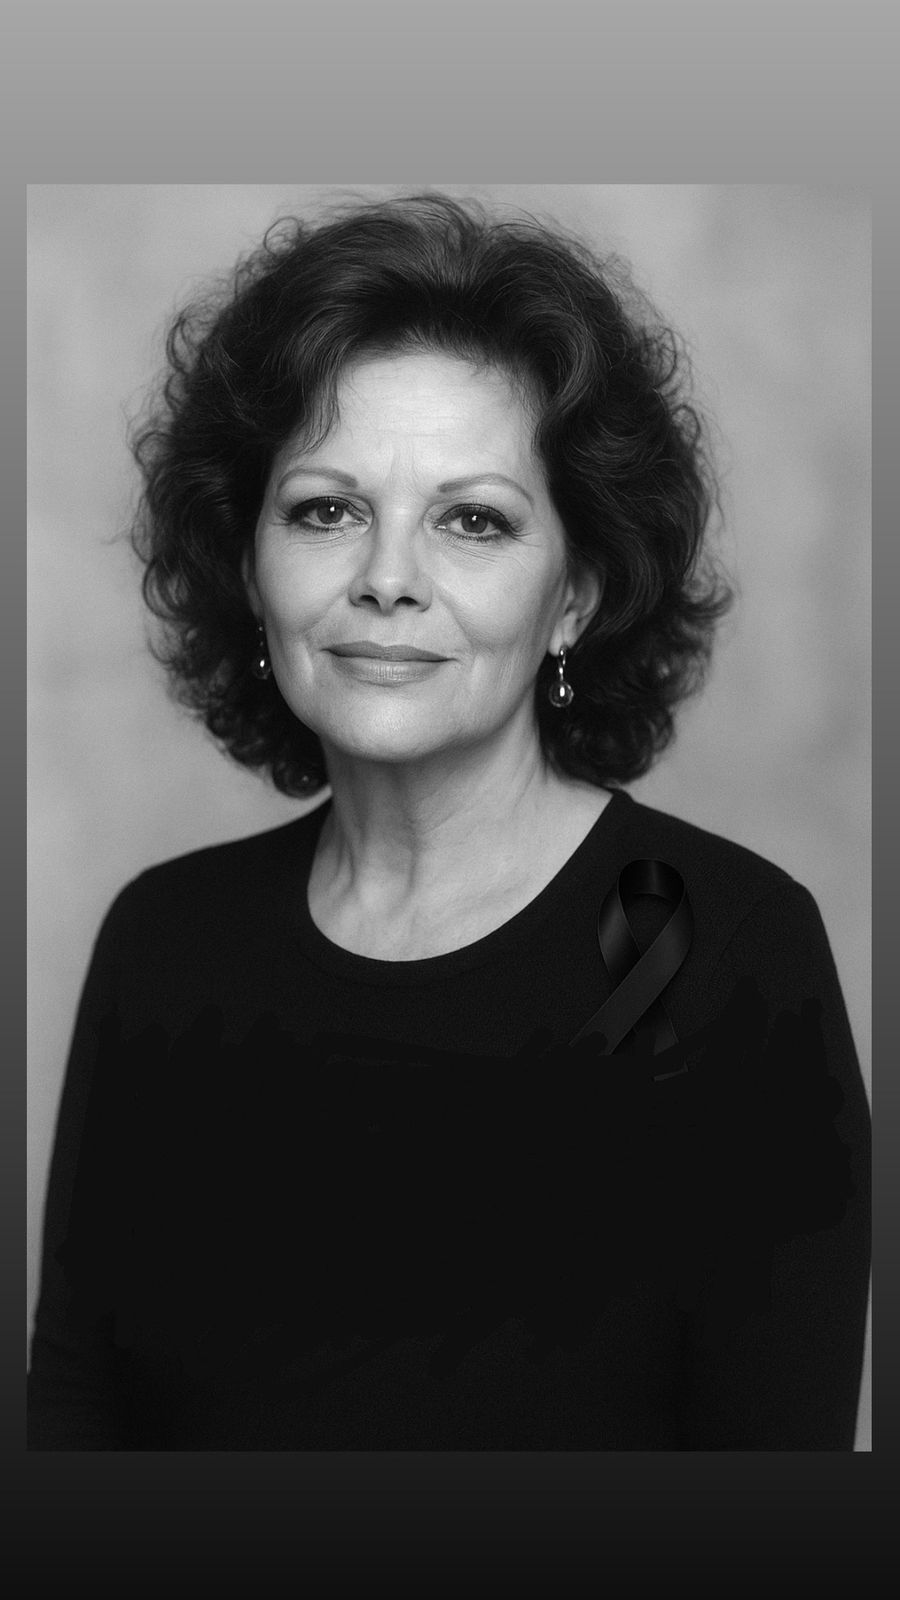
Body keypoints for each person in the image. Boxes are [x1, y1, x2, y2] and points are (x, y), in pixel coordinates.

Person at [27, 193, 870, 1450]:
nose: (387, 577)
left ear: (576, 592)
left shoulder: (721, 955)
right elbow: (73, 1430)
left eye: (472, 520)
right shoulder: (164, 941)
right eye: (326, 509)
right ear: (248, 565)